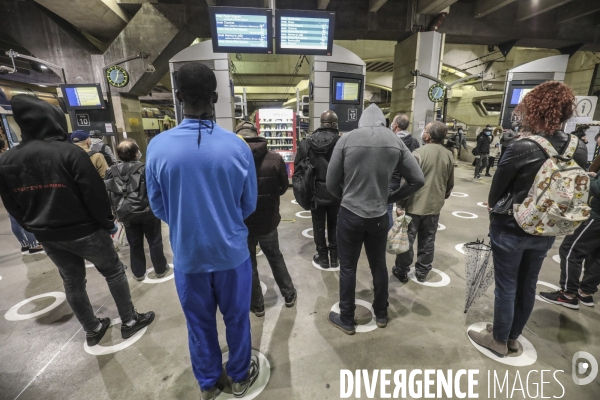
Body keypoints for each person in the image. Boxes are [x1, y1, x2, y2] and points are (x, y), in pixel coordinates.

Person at [0, 95, 154, 347]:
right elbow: (94, 195)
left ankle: (92, 328)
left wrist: (34, 227)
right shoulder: (70, 153)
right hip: (85, 230)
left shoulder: (6, 160)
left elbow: (11, 205)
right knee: (114, 271)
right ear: (53, 120)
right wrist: (108, 223)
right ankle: (129, 321)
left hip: (48, 235)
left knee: (72, 281)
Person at [145, 62, 259, 400]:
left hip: (188, 255)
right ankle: (239, 376)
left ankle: (208, 382)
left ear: (178, 97)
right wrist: (222, 219)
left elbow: (158, 206)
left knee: (199, 324)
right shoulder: (238, 147)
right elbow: (248, 203)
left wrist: (187, 220)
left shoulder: (157, 148)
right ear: (216, 96)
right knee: (237, 319)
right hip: (232, 253)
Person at [468, 81, 588, 357]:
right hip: (548, 227)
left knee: (507, 285)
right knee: (528, 283)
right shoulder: (578, 148)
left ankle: (497, 340)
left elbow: (496, 191)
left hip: (511, 227)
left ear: (533, 110)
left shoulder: (522, 146)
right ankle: (511, 337)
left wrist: (494, 211)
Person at [325, 104, 425, 335]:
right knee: (378, 264)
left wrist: (346, 197)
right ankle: (381, 313)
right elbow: (417, 179)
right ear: (383, 121)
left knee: (348, 267)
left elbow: (331, 183)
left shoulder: (347, 139)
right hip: (379, 215)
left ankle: (347, 318)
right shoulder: (394, 140)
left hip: (350, 214)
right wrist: (392, 196)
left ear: (361, 120)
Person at [236, 121, 297, 317]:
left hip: (243, 223)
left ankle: (258, 305)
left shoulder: (232, 159)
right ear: (257, 134)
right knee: (275, 256)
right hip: (268, 220)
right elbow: (282, 187)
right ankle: (288, 294)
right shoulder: (275, 158)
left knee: (249, 263)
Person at [392, 121, 454, 283]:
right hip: (434, 206)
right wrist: (442, 196)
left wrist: (400, 204)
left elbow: (407, 182)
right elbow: (449, 182)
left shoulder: (417, 154)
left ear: (428, 136)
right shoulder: (448, 154)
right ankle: (422, 271)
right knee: (428, 240)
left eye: (425, 130)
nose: (423, 132)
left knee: (406, 240)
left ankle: (402, 270)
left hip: (414, 205)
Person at [104, 139, 169, 281]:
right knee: (155, 241)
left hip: (126, 213)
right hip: (148, 212)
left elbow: (109, 194)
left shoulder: (111, 172)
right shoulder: (145, 169)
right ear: (135, 153)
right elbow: (155, 190)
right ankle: (160, 269)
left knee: (134, 244)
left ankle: (138, 273)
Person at [539, 170, 600, 309]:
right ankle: (585, 292)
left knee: (570, 250)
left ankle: (568, 295)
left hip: (596, 218)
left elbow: (598, 189)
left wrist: (586, 179)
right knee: (596, 255)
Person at [294, 110, 341, 268]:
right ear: (334, 124)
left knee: (318, 225)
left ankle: (323, 258)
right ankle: (335, 257)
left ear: (321, 123)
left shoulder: (307, 142)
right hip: (336, 191)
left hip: (314, 191)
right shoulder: (340, 142)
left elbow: (298, 167)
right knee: (335, 225)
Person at [387, 114, 421, 228]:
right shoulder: (414, 142)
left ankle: (389, 237)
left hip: (391, 181)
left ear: (395, 125)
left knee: (387, 210)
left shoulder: (391, 140)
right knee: (405, 211)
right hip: (407, 182)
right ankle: (403, 235)